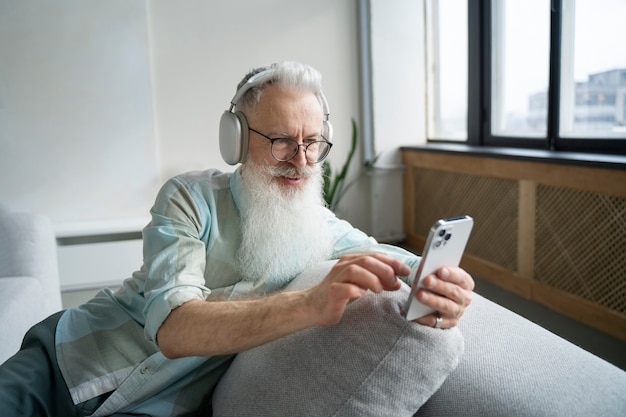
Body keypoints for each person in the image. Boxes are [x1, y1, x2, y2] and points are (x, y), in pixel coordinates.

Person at [0, 61, 474, 416]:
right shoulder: (187, 196)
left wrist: (441, 285)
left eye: (312, 142)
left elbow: (399, 260)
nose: (302, 160)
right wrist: (311, 304)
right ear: (237, 139)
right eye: (282, 140)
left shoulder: (324, 229)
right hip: (66, 361)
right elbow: (175, 328)